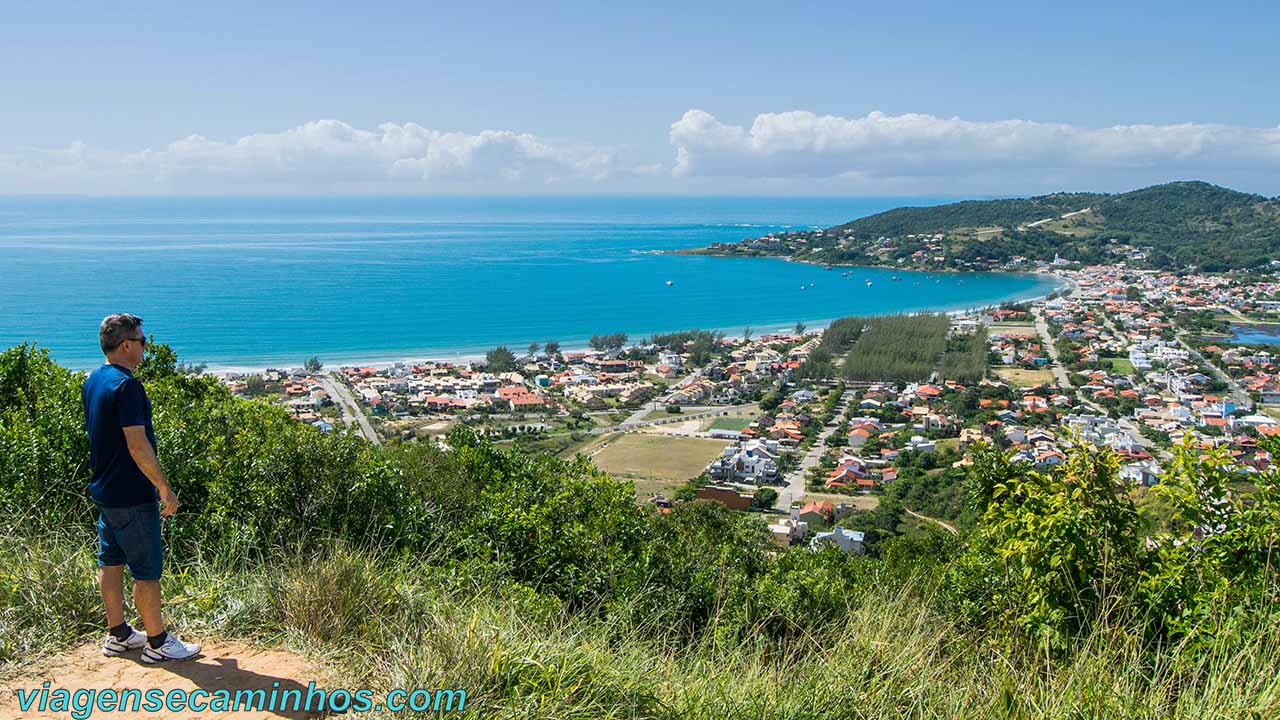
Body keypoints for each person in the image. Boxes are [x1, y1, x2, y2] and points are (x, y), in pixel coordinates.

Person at [84, 313, 200, 663]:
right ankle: (157, 642)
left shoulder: (94, 379)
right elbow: (137, 444)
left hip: (105, 491)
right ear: (127, 345)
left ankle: (118, 634)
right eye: (143, 341)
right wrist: (163, 487)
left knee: (111, 562)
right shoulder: (127, 386)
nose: (146, 347)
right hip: (133, 495)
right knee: (147, 571)